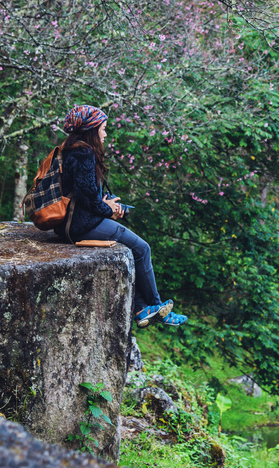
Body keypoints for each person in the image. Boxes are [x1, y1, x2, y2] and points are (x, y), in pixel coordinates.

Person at [55, 104, 186, 327]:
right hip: (80, 225)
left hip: (69, 221)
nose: (105, 134)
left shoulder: (69, 148)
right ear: (91, 129)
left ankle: (141, 307)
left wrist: (106, 204)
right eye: (103, 128)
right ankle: (157, 306)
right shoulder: (84, 152)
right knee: (142, 248)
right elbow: (88, 198)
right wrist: (111, 210)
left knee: (132, 249)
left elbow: (82, 193)